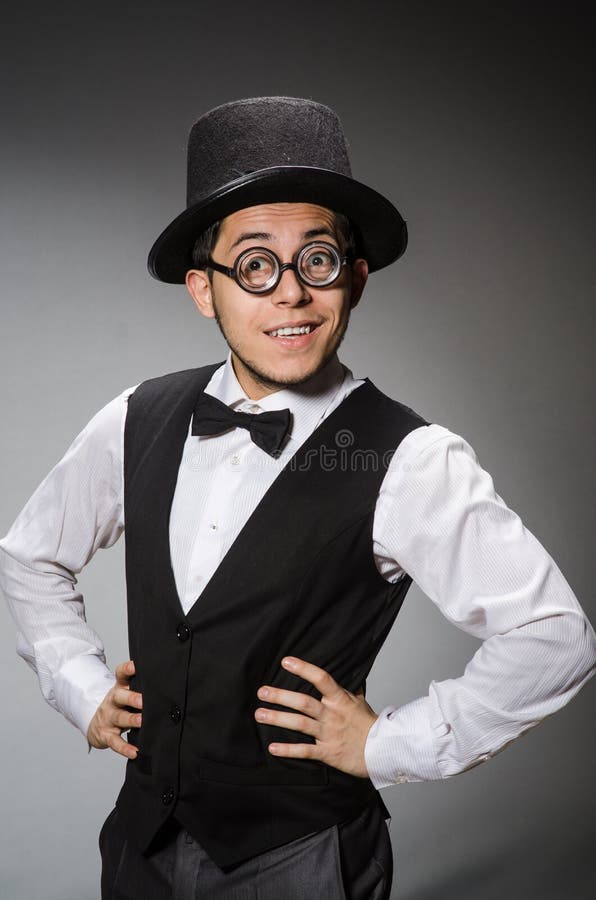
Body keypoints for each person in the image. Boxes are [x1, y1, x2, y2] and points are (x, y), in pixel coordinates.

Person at [1, 96, 595, 900]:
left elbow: (555, 638)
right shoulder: (136, 417)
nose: (289, 293)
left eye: (315, 259)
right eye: (254, 263)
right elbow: (29, 555)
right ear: (204, 289)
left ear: (352, 279)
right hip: (139, 843)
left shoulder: (412, 460)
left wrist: (389, 745)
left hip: (301, 861)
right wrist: (81, 689)